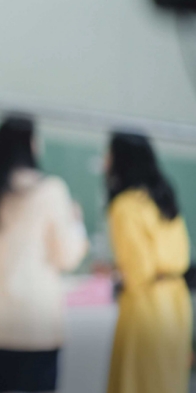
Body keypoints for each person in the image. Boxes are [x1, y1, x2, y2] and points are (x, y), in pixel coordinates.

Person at [0, 116, 88, 393]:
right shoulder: (52, 191)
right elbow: (67, 258)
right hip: (36, 327)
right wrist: (77, 225)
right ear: (33, 145)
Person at [104, 132, 192, 393]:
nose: (106, 160)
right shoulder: (163, 199)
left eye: (110, 154)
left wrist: (115, 274)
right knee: (169, 381)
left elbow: (137, 271)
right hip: (178, 303)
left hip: (146, 307)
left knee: (139, 382)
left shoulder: (124, 206)